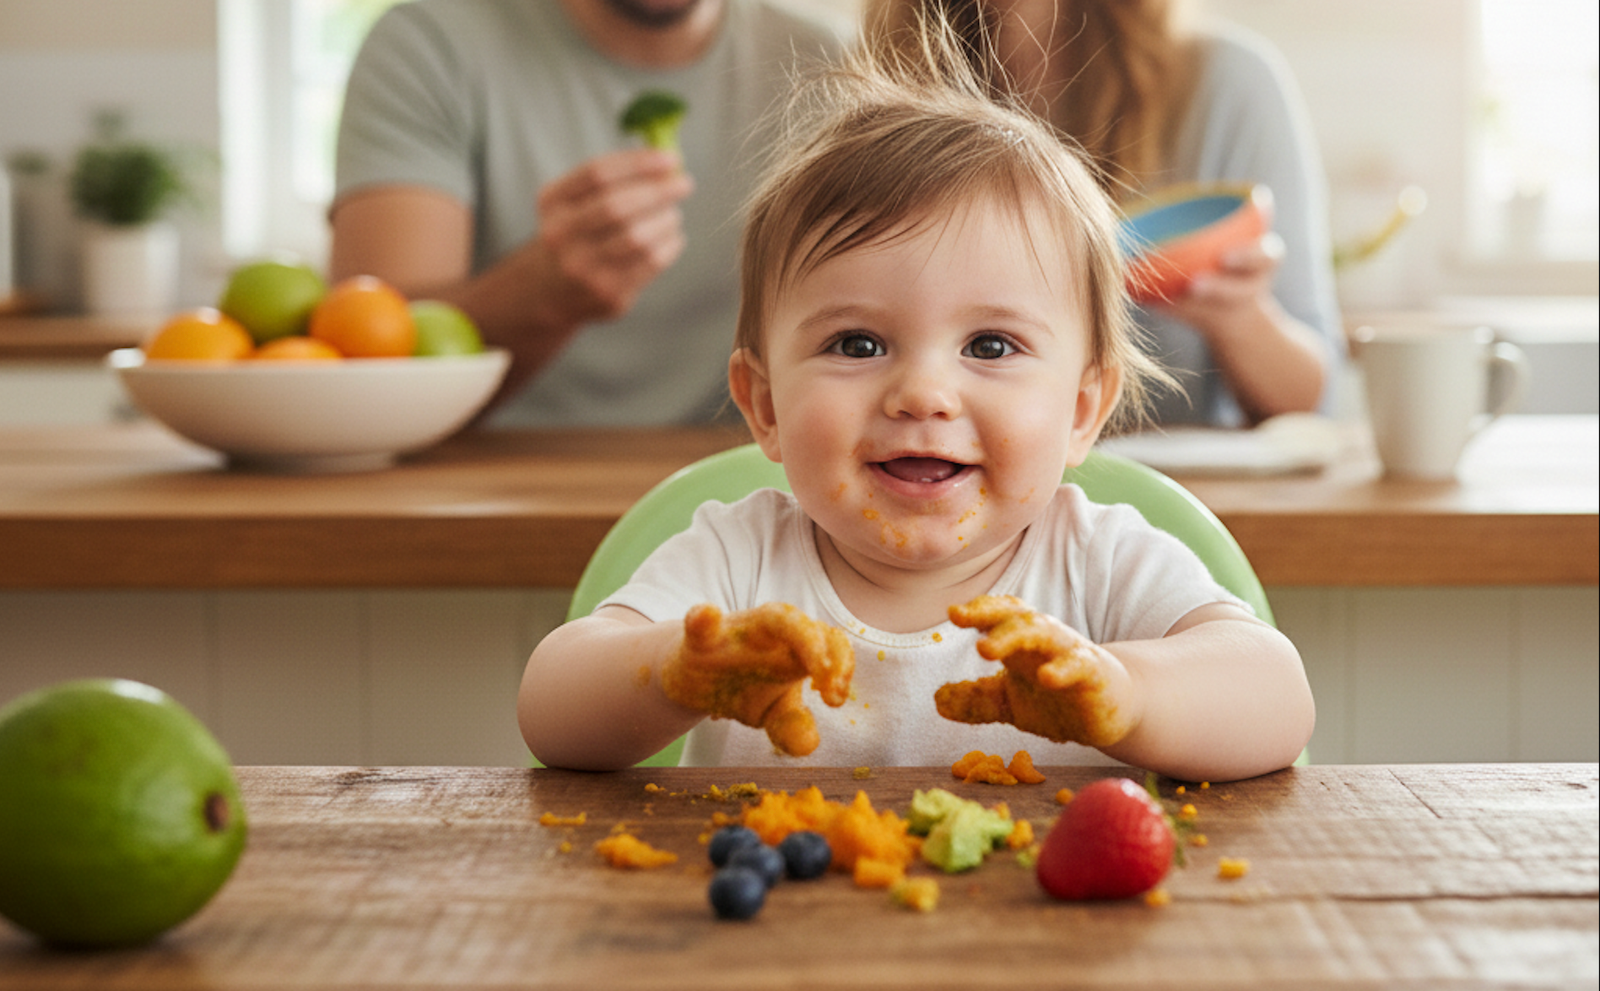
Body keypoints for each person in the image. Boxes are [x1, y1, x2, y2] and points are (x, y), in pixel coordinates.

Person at [518, 30, 1315, 783]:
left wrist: (1128, 692)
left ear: (1081, 409)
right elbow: (550, 707)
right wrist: (676, 671)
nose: (925, 394)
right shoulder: (737, 561)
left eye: (991, 346)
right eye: (858, 345)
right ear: (763, 403)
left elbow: (1279, 697)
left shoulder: (1099, 563)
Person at [329, 0, 850, 426]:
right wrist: (542, 294)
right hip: (476, 487)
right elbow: (368, 360)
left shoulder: (828, 68)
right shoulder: (427, 45)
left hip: (741, 492)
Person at [868, 0, 1342, 427]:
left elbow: (1313, 407)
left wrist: (1241, 316)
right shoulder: (872, 84)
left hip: (1169, 499)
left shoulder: (1227, 83)